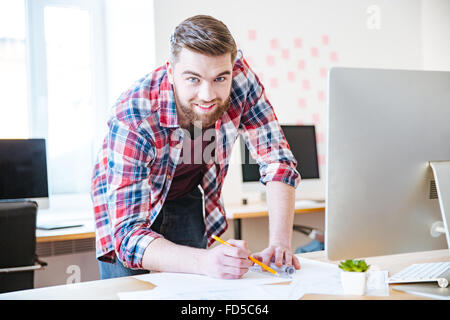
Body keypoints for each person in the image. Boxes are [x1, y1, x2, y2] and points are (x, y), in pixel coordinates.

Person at [91, 15, 301, 280]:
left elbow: (277, 160)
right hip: (132, 206)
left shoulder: (240, 80)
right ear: (170, 71)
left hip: (185, 194)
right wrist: (203, 261)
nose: (207, 95)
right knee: (131, 292)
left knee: (195, 293)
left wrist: (280, 243)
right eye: (193, 79)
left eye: (219, 79)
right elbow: (129, 236)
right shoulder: (134, 116)